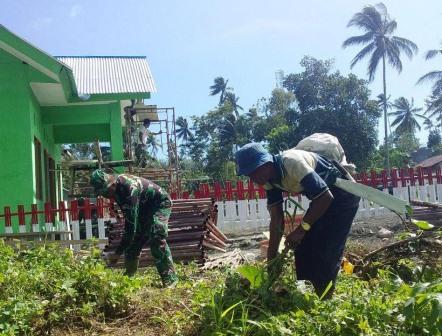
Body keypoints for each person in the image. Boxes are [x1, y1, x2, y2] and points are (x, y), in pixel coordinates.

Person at [235, 143, 360, 298]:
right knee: (302, 246)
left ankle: (326, 300)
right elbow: (277, 218)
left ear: (267, 163)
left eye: (255, 171)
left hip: (343, 196)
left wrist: (301, 230)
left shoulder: (291, 162)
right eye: (249, 175)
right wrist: (272, 256)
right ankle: (311, 295)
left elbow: (326, 197)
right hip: (322, 200)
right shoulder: (269, 181)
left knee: (327, 249)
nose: (254, 178)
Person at [90, 169, 178, 287]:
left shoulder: (129, 188)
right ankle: (129, 280)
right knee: (133, 245)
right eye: (101, 193)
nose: (105, 195)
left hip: (159, 204)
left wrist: (117, 253)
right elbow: (130, 220)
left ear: (112, 184)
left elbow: (130, 228)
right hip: (143, 208)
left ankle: (170, 279)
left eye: (105, 191)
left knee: (156, 234)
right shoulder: (115, 191)